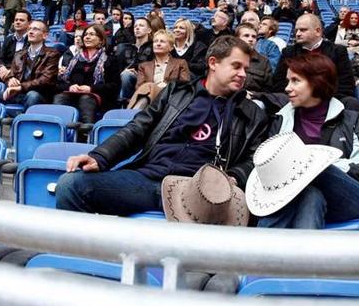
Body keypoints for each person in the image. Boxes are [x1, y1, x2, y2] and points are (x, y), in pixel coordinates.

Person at [55, 36, 269, 217]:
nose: (243, 74)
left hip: (197, 192)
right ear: (213, 63)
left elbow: (254, 159)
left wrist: (234, 176)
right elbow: (138, 128)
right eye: (236, 66)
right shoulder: (176, 93)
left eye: (246, 69)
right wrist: (100, 156)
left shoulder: (252, 114)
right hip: (148, 180)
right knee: (71, 185)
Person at [247, 53, 359, 229]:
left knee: (312, 168)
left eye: (295, 81)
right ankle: (300, 248)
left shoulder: (350, 119)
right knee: (311, 195)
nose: (287, 88)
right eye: (288, 81)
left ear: (317, 81)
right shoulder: (280, 119)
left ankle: (259, 243)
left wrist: (317, 167)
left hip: (347, 197)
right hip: (296, 196)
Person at [0, 20, 59, 112]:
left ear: (45, 35)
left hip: (38, 95)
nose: (31, 32)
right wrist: (10, 80)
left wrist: (20, 87)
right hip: (16, 95)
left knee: (32, 95)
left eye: (35, 29)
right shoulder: (19, 54)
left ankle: (22, 119)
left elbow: (46, 80)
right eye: (29, 29)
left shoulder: (52, 54)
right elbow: (12, 74)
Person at [272, 14, 357, 107]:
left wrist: (320, 99)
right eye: (296, 30)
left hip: (329, 100)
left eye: (303, 30)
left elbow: (346, 84)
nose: (298, 34)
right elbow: (278, 83)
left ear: (318, 31)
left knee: (351, 102)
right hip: (296, 99)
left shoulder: (337, 51)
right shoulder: (288, 52)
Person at [53, 25, 121, 126]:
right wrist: (70, 87)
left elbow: (115, 86)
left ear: (101, 40)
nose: (87, 37)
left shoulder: (110, 60)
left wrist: (91, 89)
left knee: (86, 99)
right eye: (85, 35)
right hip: (73, 95)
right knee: (60, 97)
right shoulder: (73, 60)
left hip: (99, 98)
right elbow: (59, 83)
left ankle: (87, 131)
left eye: (92, 34)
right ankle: (59, 129)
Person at [128, 30, 190, 109]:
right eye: (155, 41)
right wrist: (154, 88)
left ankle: (133, 114)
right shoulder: (144, 66)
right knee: (148, 87)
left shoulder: (180, 63)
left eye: (162, 41)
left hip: (170, 98)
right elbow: (139, 88)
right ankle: (135, 112)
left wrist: (166, 87)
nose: (158, 44)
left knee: (149, 86)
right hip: (150, 100)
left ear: (171, 47)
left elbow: (185, 85)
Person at [0, 9, 30, 82]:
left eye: (21, 20)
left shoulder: (32, 40)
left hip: (21, 72)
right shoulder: (8, 39)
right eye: (16, 20)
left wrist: (11, 72)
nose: (18, 22)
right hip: (5, 71)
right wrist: (1, 68)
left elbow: (30, 64)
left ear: (29, 23)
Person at [235, 23, 272, 94]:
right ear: (237, 39)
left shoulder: (264, 62)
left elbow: (268, 91)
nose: (251, 39)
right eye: (246, 36)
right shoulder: (227, 57)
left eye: (254, 37)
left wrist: (253, 95)